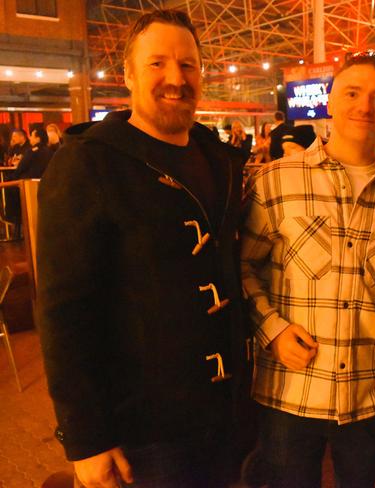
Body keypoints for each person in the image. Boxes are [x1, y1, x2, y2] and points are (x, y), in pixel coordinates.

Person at [37, 9, 251, 488]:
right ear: (128, 75)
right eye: (157, 64)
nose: (176, 79)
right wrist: (86, 438)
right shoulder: (88, 163)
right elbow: (63, 311)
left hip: (224, 421)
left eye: (188, 65)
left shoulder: (219, 159)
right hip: (144, 435)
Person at [241, 51, 375, 488]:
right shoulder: (276, 181)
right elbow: (244, 268)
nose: (365, 106)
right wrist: (273, 330)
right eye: (353, 93)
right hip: (290, 393)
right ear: (330, 102)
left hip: (369, 395)